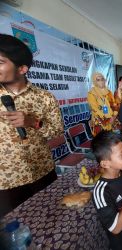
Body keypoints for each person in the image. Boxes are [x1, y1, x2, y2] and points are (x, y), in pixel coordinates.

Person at [0, 34, 64, 217]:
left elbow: (57, 130)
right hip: (5, 182)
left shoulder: (44, 97)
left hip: (41, 172)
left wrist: (33, 122)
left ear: (22, 68)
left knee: (48, 220)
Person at [87, 72, 119, 136]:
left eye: (102, 79)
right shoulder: (91, 93)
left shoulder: (109, 92)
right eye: (98, 80)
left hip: (111, 121)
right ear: (94, 82)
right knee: (101, 141)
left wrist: (114, 116)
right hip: (100, 122)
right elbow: (94, 109)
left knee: (111, 140)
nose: (101, 81)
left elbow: (114, 104)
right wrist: (107, 119)